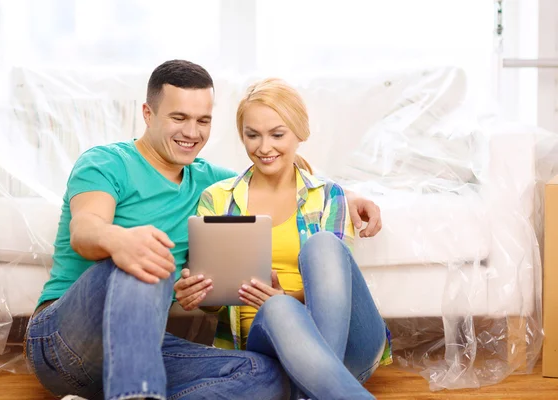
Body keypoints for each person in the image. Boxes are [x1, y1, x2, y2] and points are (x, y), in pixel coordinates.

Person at [24, 60, 382, 400]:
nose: (192, 133)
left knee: (265, 376)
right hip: (67, 339)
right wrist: (124, 241)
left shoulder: (210, 183)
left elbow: (275, 174)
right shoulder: (106, 162)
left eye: (203, 120)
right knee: (147, 258)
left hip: (141, 346)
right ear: (148, 114)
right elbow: (85, 230)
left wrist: (347, 195)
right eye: (179, 117)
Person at [175, 78, 392, 400]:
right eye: (253, 135)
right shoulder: (217, 199)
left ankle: (316, 381)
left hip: (348, 348)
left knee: (322, 247)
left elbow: (336, 290)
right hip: (266, 349)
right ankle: (320, 391)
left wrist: (285, 295)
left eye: (277, 134)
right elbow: (213, 303)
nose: (264, 148)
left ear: (299, 133)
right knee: (277, 310)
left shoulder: (329, 196)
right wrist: (199, 294)